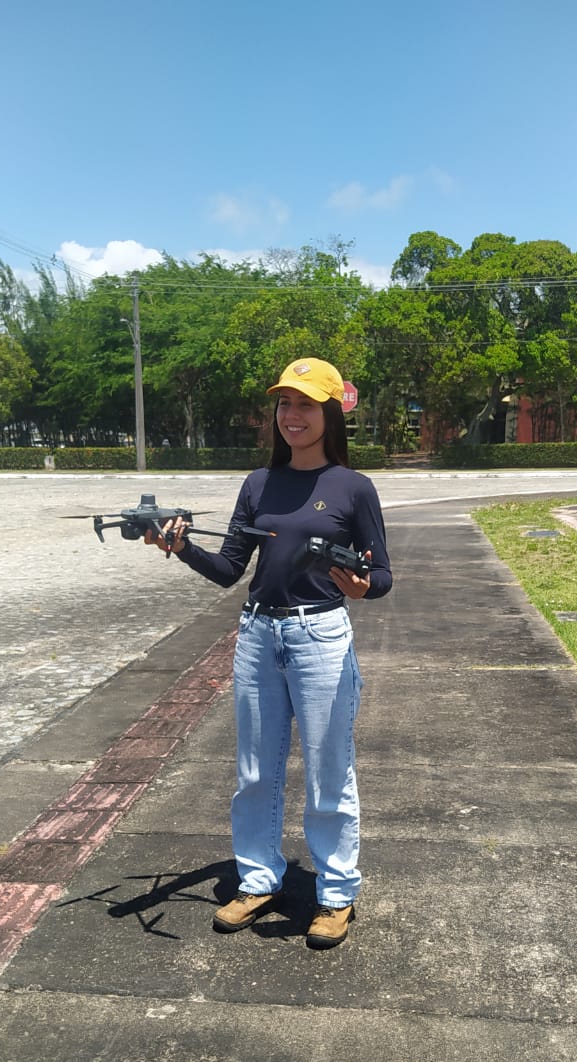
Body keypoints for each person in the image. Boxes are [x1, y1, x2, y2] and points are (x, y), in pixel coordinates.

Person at [145, 358, 392, 948]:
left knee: (329, 770)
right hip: (258, 635)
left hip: (320, 637)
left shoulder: (353, 487)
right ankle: (258, 879)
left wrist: (362, 587)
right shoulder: (257, 484)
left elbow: (381, 574)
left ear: (330, 413)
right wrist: (180, 548)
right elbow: (229, 568)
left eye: (305, 404)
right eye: (284, 403)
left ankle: (336, 893)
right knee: (254, 771)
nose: (292, 415)